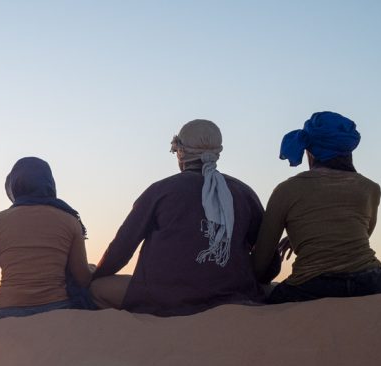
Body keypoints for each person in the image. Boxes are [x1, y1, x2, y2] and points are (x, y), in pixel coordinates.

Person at [90, 119, 265, 316]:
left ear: (181, 152)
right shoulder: (244, 193)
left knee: (97, 289)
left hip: (164, 299)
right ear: (217, 152)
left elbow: (121, 250)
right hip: (235, 297)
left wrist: (94, 275)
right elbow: (269, 263)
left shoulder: (160, 191)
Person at [253, 111, 381, 303]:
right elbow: (359, 235)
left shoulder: (287, 190)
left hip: (312, 286)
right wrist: (308, 233)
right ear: (348, 150)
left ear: (309, 152)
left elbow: (261, 262)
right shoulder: (370, 188)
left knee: (262, 306)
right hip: (372, 281)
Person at [0, 157, 93, 323]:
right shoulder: (70, 220)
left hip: (9, 313)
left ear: (14, 186)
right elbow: (83, 278)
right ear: (50, 184)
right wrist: (92, 269)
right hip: (59, 310)